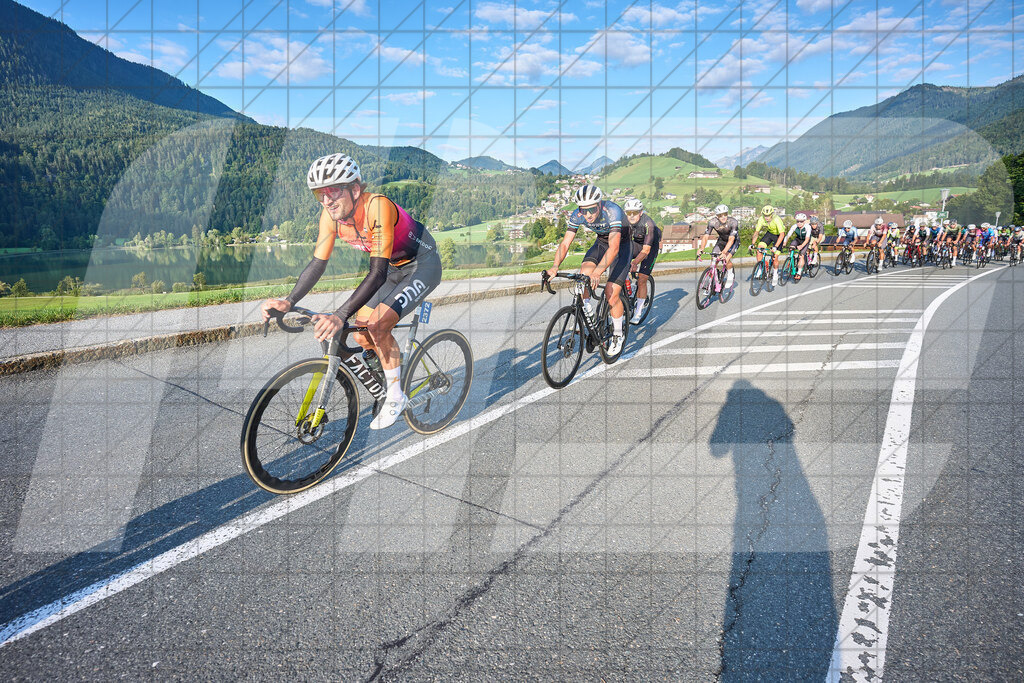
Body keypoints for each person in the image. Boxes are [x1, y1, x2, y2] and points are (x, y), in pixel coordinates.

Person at [260, 152, 442, 430]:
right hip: (392, 268)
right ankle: (389, 370)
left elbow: (376, 273)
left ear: (355, 189)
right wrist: (289, 300)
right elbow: (318, 263)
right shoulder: (330, 217)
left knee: (378, 325)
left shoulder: (377, 207)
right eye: (320, 194)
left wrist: (338, 315)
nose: (327, 200)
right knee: (361, 331)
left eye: (333, 191)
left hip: (422, 265)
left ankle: (396, 397)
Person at [546, 184, 630, 356]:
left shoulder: (612, 211)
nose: (588, 215)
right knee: (581, 278)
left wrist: (597, 272)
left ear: (599, 205)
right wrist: (555, 266)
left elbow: (614, 248)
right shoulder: (577, 215)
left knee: (611, 292)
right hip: (601, 243)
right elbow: (565, 243)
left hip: (622, 246)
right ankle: (587, 314)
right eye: (584, 210)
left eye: (592, 209)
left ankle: (618, 334)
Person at [623, 197, 661, 324]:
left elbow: (646, 250)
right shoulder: (624, 222)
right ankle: (629, 286)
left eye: (635, 212)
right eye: (629, 213)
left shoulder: (648, 224)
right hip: (636, 244)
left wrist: (634, 263)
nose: (631, 215)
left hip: (650, 247)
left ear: (640, 212)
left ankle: (638, 312)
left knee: (642, 279)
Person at [698, 204, 739, 288]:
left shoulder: (733, 222)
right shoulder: (712, 222)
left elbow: (731, 239)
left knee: (726, 259)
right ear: (717, 216)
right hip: (721, 241)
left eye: (725, 214)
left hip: (734, 242)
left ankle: (730, 273)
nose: (723, 217)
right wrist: (701, 248)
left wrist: (724, 252)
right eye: (720, 215)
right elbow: (705, 236)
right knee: (713, 261)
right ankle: (710, 283)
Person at [750, 205, 786, 286]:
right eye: (765, 215)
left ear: (772, 214)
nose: (766, 217)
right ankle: (760, 268)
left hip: (779, 236)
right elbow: (756, 232)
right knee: (759, 248)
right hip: (770, 234)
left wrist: (775, 246)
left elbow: (782, 234)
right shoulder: (761, 219)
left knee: (774, 257)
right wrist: (752, 244)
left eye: (768, 215)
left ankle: (775, 274)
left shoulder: (776, 219)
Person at [782, 212, 813, 279]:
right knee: (791, 247)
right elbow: (788, 235)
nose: (799, 223)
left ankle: (799, 272)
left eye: (801, 221)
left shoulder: (808, 227)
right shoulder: (794, 226)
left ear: (804, 221)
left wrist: (801, 246)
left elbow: (807, 239)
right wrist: (784, 242)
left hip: (805, 241)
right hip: (798, 239)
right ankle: (791, 262)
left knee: (801, 255)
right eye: (797, 221)